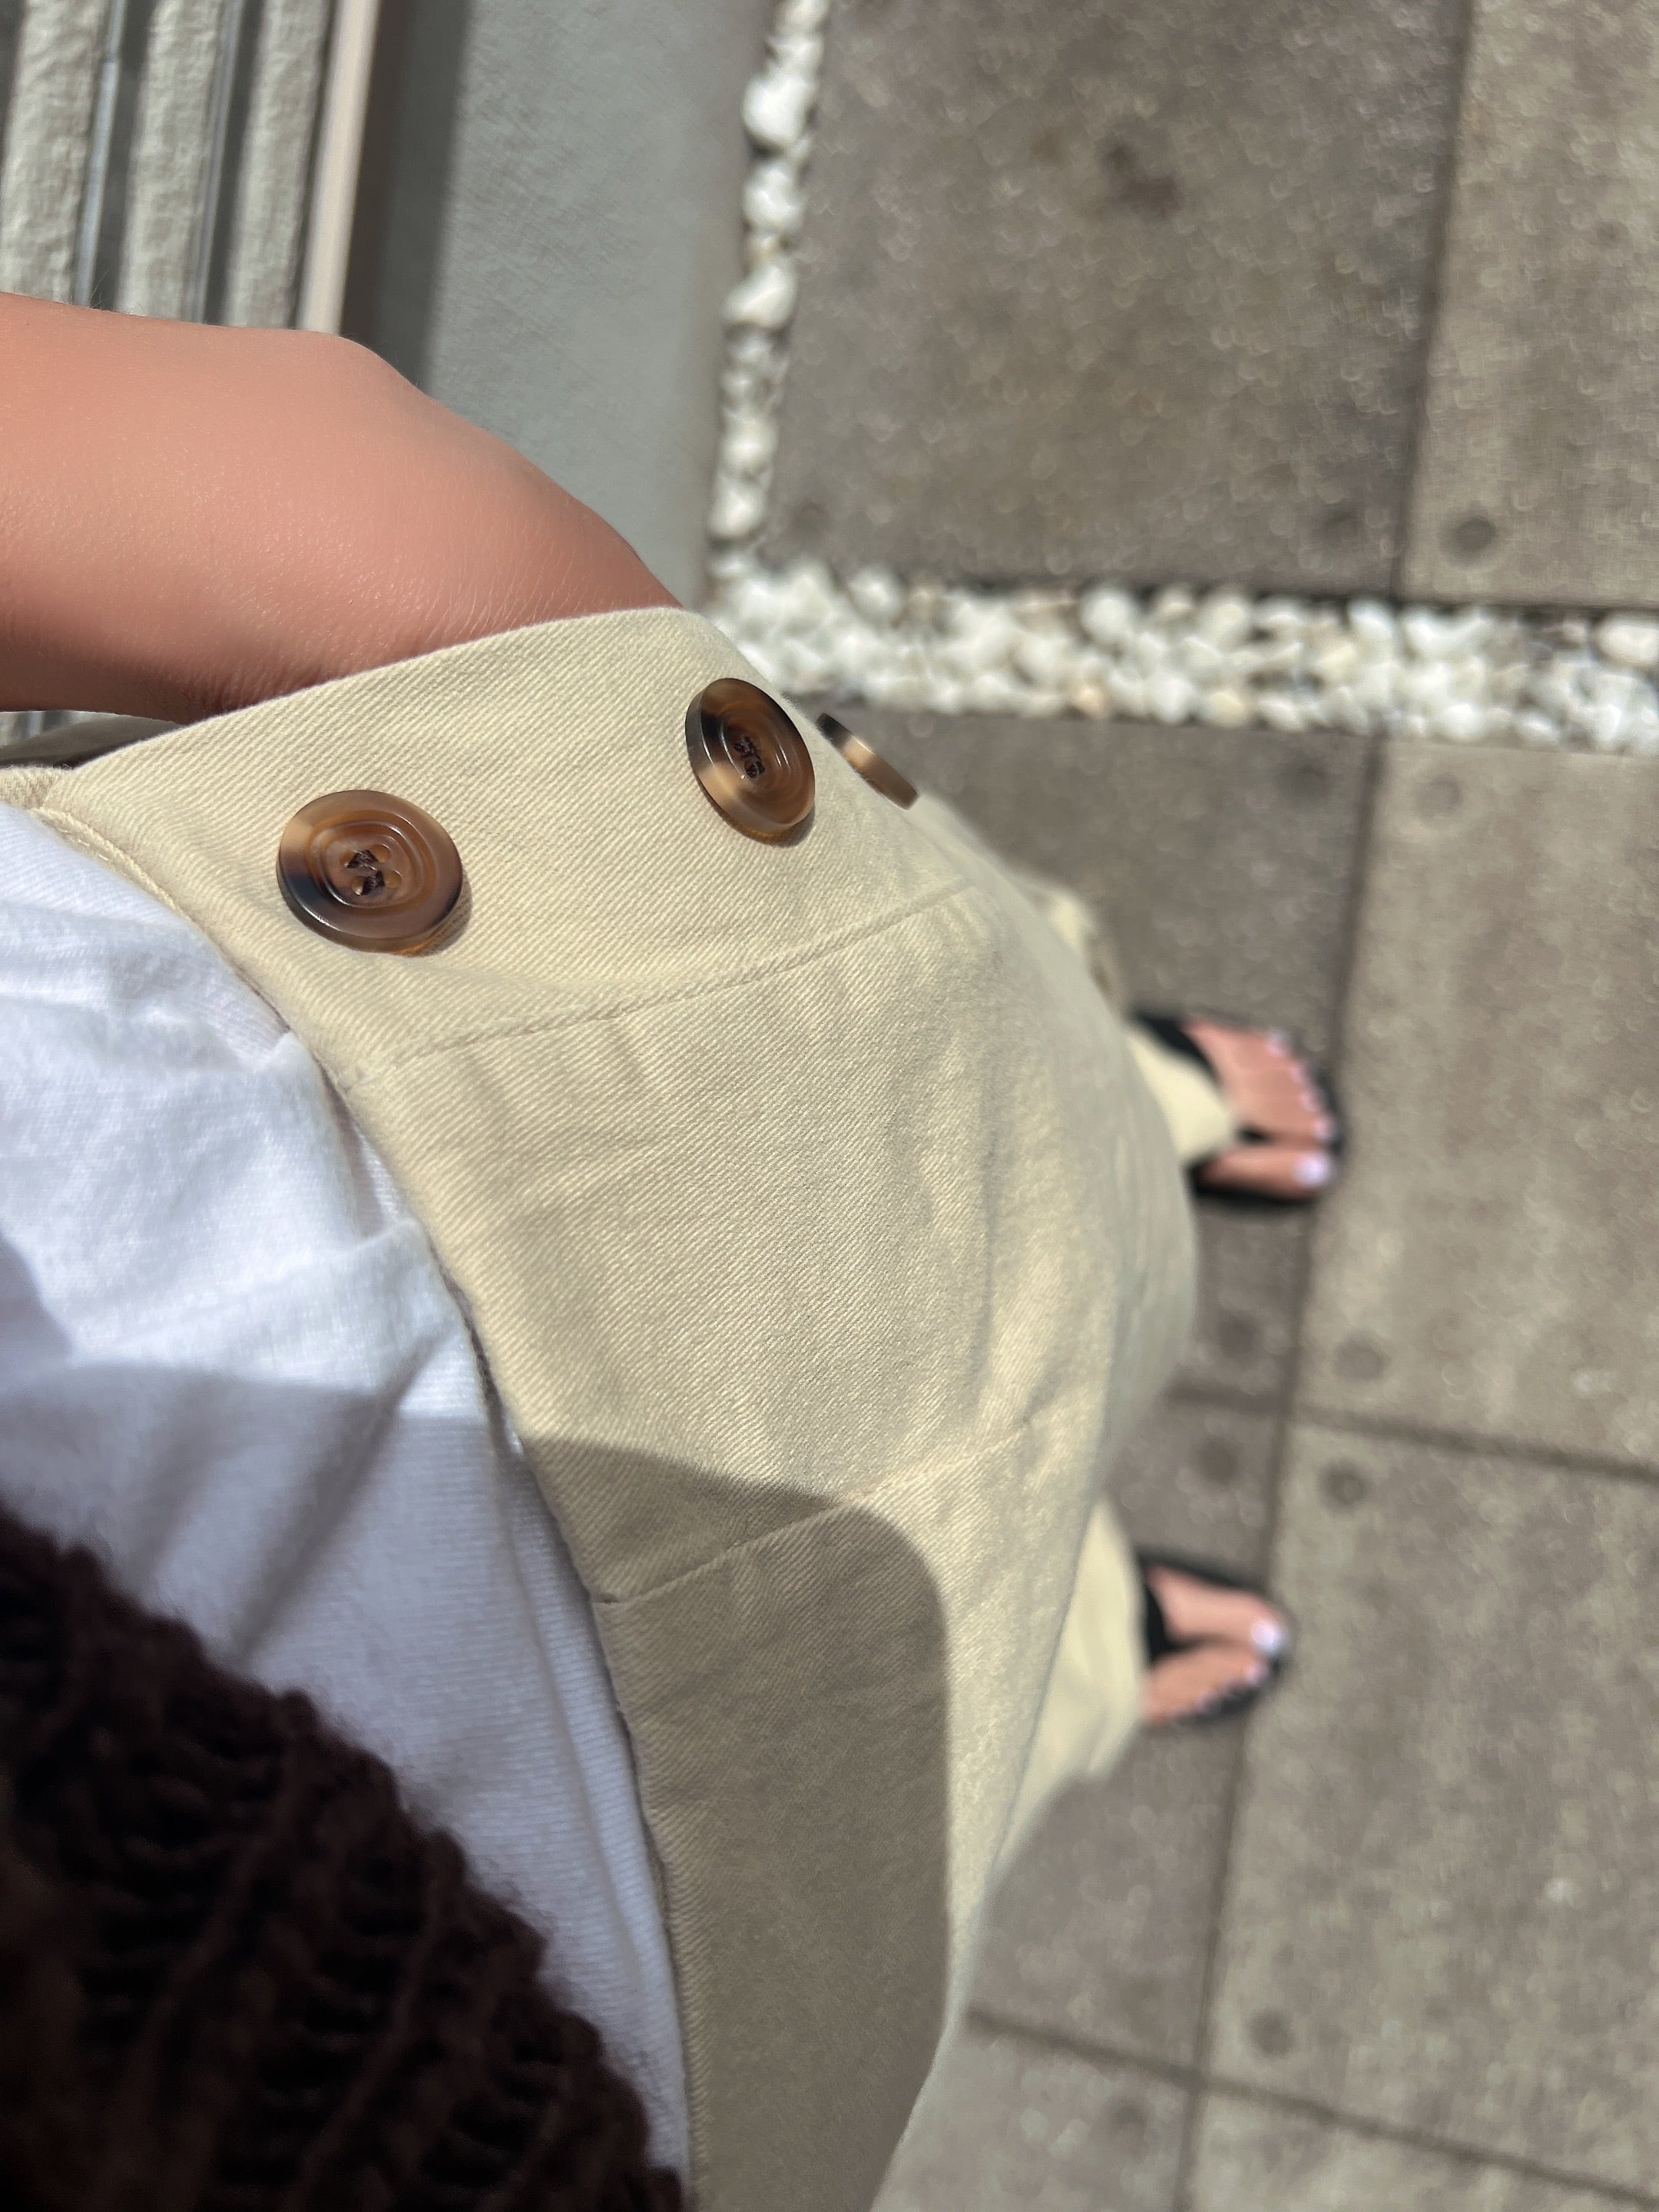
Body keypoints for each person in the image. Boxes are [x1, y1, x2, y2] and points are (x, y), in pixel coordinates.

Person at [0, 295, 1339, 2208]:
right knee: (982, 1722)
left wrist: (479, 628)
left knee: (1040, 1109)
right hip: (707, 2034)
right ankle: (1093, 1650)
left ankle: (1147, 1106)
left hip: (522, 1000)